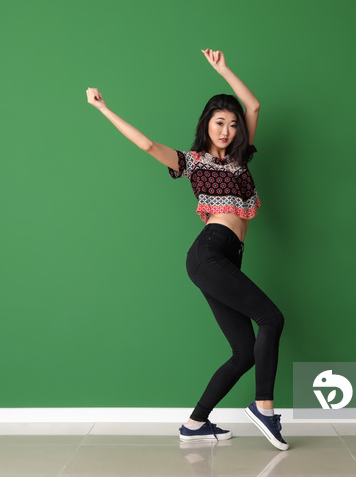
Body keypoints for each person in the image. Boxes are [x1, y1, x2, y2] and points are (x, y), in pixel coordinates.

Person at [85, 49, 288, 451]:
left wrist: (223, 69)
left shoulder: (241, 159)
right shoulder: (193, 162)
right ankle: (264, 408)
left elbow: (254, 104)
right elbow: (145, 144)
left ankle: (196, 424)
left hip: (226, 257)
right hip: (209, 252)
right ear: (206, 125)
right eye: (219, 123)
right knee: (271, 318)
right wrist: (103, 108)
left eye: (232, 125)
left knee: (243, 352)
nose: (227, 130)